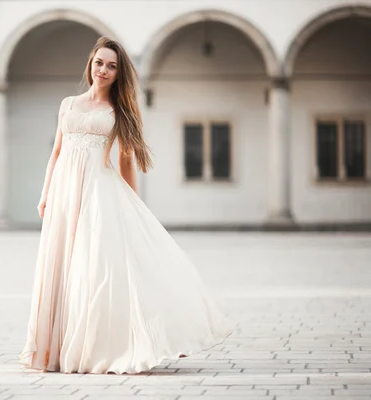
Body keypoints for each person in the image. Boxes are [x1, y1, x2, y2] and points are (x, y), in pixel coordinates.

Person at [19, 36, 233, 374]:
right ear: (91, 64)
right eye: (99, 63)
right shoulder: (68, 104)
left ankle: (100, 346)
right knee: (62, 265)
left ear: (119, 74)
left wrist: (135, 205)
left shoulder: (119, 112)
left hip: (98, 195)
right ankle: (54, 349)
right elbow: (56, 153)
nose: (103, 70)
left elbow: (127, 161)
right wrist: (46, 194)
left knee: (94, 270)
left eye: (112, 66)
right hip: (64, 195)